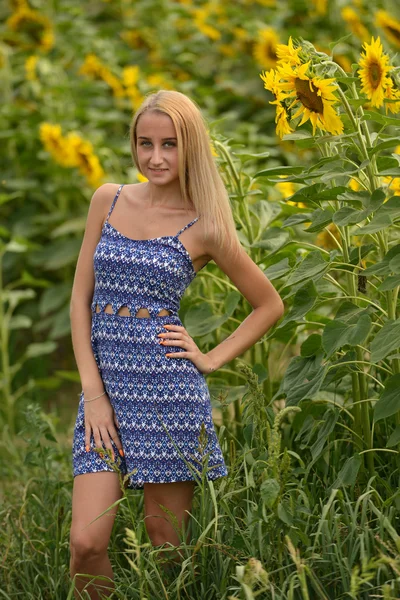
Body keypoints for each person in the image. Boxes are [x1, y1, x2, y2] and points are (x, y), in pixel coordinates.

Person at [69, 89, 284, 598]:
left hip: (168, 396)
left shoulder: (205, 224)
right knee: (85, 542)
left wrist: (209, 358)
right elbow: (80, 302)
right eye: (145, 143)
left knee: (165, 544)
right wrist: (94, 395)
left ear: (191, 147)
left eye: (170, 144)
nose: (155, 157)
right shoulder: (109, 199)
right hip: (104, 394)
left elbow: (268, 304)